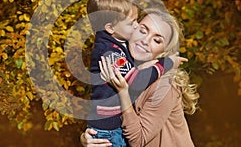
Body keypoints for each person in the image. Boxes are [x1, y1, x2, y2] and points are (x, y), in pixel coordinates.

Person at [81, 8, 199, 147]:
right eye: (143, 31)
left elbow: (139, 140)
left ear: (165, 50)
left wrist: (123, 93)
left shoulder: (165, 85)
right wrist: (88, 137)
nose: (145, 41)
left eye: (157, 40)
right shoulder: (122, 66)